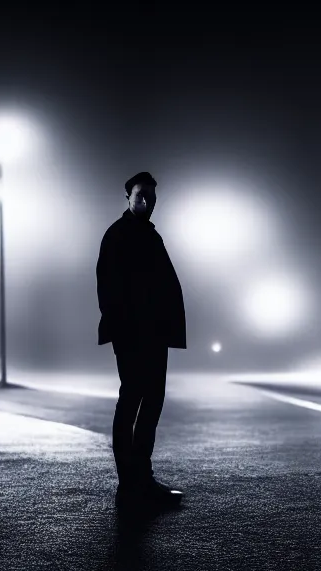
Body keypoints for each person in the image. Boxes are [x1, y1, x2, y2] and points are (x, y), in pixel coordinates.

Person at [96, 171, 186, 508]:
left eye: (151, 196)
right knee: (133, 400)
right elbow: (108, 288)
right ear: (128, 197)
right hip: (135, 336)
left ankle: (140, 479)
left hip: (153, 334)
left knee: (150, 401)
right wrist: (124, 329)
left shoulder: (148, 235)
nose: (147, 201)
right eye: (140, 195)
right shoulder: (119, 235)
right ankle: (130, 484)